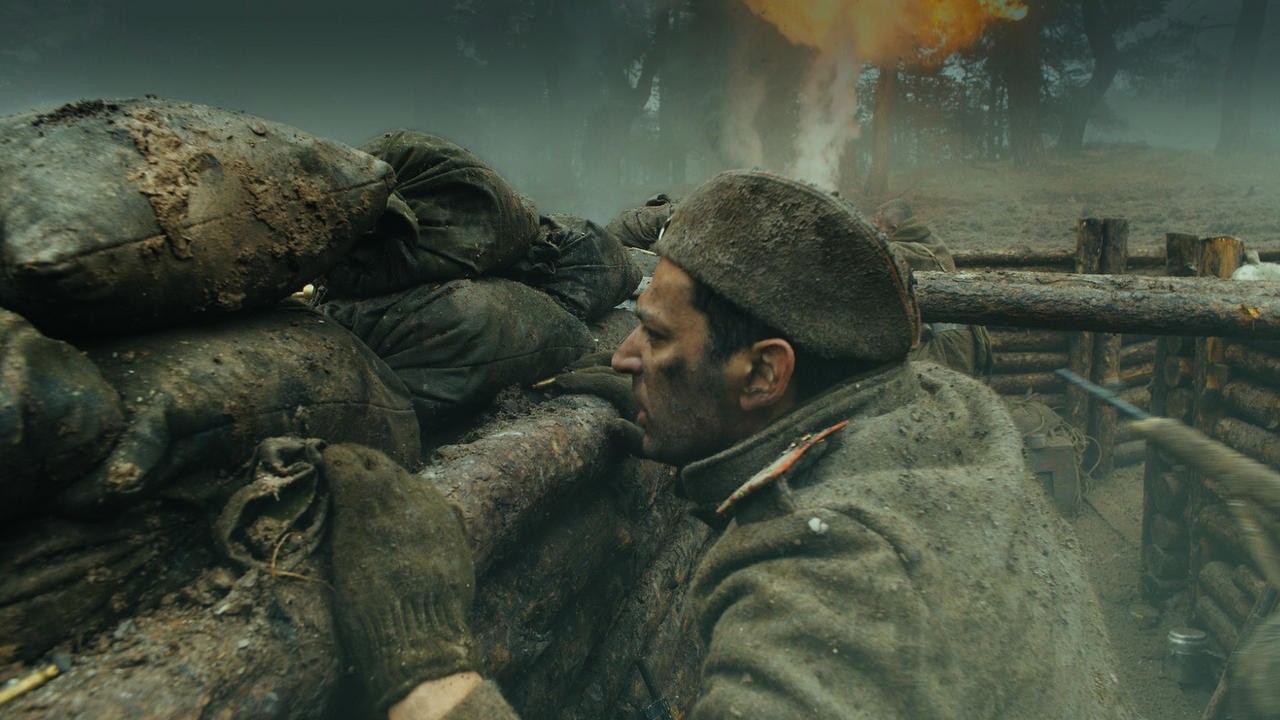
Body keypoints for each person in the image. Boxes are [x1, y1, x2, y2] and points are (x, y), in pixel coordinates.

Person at [328, 170, 1133, 719]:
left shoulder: (839, 587)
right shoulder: (944, 415)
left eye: (653, 335)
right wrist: (694, 401)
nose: (623, 357)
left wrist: (428, 673)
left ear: (765, 374)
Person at [872, 198, 993, 378]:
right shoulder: (931, 241)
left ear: (894, 229)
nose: (875, 234)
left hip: (947, 343)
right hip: (965, 336)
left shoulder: (900, 251)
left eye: (878, 229)